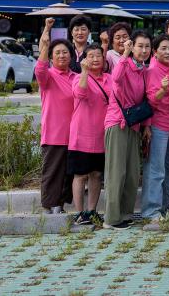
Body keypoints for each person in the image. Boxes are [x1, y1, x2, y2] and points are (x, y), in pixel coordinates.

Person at [104, 30, 152, 229]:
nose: (143, 50)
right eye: (140, 46)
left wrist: (146, 126)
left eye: (147, 46)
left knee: (132, 173)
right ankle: (111, 219)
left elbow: (146, 100)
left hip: (134, 125)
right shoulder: (125, 65)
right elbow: (115, 79)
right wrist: (125, 54)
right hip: (117, 123)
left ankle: (125, 213)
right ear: (132, 47)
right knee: (117, 173)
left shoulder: (144, 71)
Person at [34, 18, 75, 214]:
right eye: (57, 53)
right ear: (51, 57)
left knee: (68, 173)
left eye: (65, 52)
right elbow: (40, 67)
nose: (62, 55)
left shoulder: (76, 77)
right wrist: (47, 33)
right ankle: (50, 206)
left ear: (71, 56)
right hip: (54, 133)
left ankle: (61, 204)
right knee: (52, 172)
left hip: (75, 134)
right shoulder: (47, 76)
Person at [69, 44, 110, 225]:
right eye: (91, 56)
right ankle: (79, 213)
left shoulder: (109, 79)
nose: (95, 59)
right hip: (81, 134)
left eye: (98, 55)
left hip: (102, 134)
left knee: (96, 175)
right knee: (80, 175)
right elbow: (80, 92)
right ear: (84, 59)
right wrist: (84, 71)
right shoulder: (78, 77)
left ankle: (92, 210)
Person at [142, 34, 169, 223]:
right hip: (157, 125)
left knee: (167, 168)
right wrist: (163, 90)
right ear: (155, 51)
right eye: (163, 48)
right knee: (156, 170)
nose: (168, 51)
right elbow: (151, 101)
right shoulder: (153, 70)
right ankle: (151, 211)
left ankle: (163, 207)